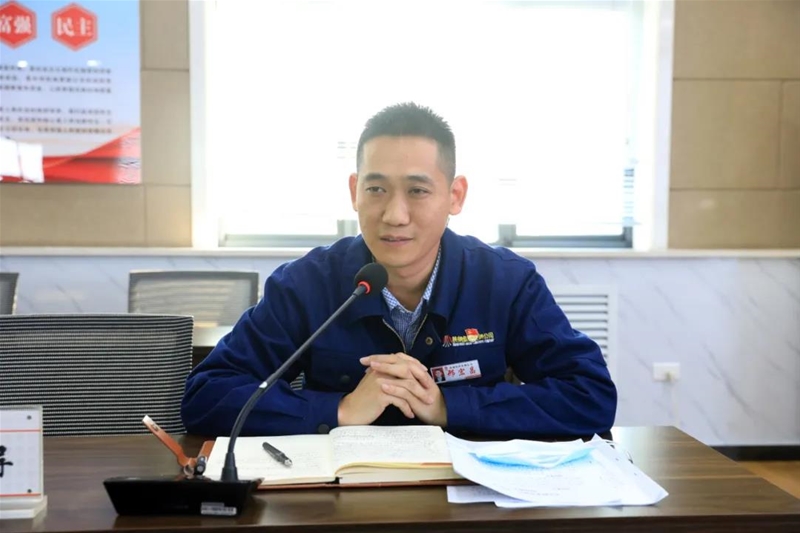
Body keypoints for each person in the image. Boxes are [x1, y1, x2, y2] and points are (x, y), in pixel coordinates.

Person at [181, 102, 617, 438]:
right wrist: (340, 410)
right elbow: (207, 395)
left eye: (417, 191)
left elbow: (590, 395)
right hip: (339, 504)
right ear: (354, 191)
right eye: (376, 189)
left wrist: (449, 407)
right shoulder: (305, 283)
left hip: (469, 500)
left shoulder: (505, 282)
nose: (394, 215)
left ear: (455, 196)